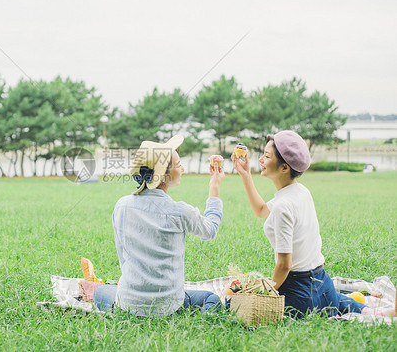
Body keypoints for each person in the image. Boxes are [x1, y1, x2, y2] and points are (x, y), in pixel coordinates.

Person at [231, 130, 384, 318]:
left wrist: (266, 290)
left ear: (284, 168)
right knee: (339, 300)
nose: (261, 159)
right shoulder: (301, 191)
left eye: (267, 156)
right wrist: (245, 174)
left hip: (300, 297)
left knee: (235, 302)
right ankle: (377, 312)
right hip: (324, 286)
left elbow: (284, 265)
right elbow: (260, 210)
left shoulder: (283, 205)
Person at [94, 135, 226, 317]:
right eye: (178, 165)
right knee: (212, 299)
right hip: (169, 305)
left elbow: (122, 257)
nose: (183, 168)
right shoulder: (180, 211)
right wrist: (215, 185)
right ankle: (201, 320)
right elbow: (210, 230)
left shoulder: (122, 205)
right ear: (163, 175)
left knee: (99, 292)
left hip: (129, 302)